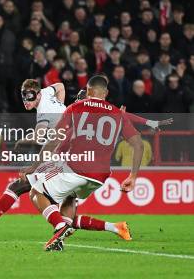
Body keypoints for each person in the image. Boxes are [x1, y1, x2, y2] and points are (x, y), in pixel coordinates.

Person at [28, 75, 144, 251]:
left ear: (88, 91)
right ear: (106, 93)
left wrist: (35, 166)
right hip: (100, 176)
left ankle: (60, 227)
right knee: (69, 198)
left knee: (36, 192)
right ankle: (59, 238)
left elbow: (54, 140)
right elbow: (138, 144)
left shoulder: (76, 107)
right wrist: (133, 176)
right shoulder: (118, 113)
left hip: (77, 168)